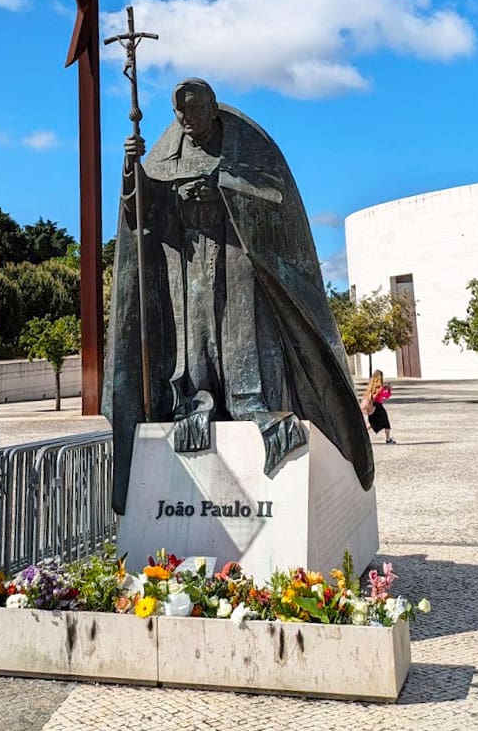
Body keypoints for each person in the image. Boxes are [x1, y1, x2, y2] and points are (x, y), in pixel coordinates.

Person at [102, 77, 374, 513]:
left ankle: (253, 405)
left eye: (193, 111)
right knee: (196, 335)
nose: (186, 121)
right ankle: (197, 401)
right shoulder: (168, 149)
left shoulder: (248, 145)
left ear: (211, 108)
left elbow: (272, 197)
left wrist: (220, 189)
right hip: (189, 259)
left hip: (238, 253)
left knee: (240, 333)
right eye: (179, 113)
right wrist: (132, 175)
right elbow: (144, 215)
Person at [360, 370, 395, 444]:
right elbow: (385, 396)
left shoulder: (371, 386)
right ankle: (388, 439)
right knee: (385, 422)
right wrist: (389, 390)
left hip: (372, 406)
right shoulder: (380, 387)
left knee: (372, 423)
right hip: (378, 406)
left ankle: (360, 434)